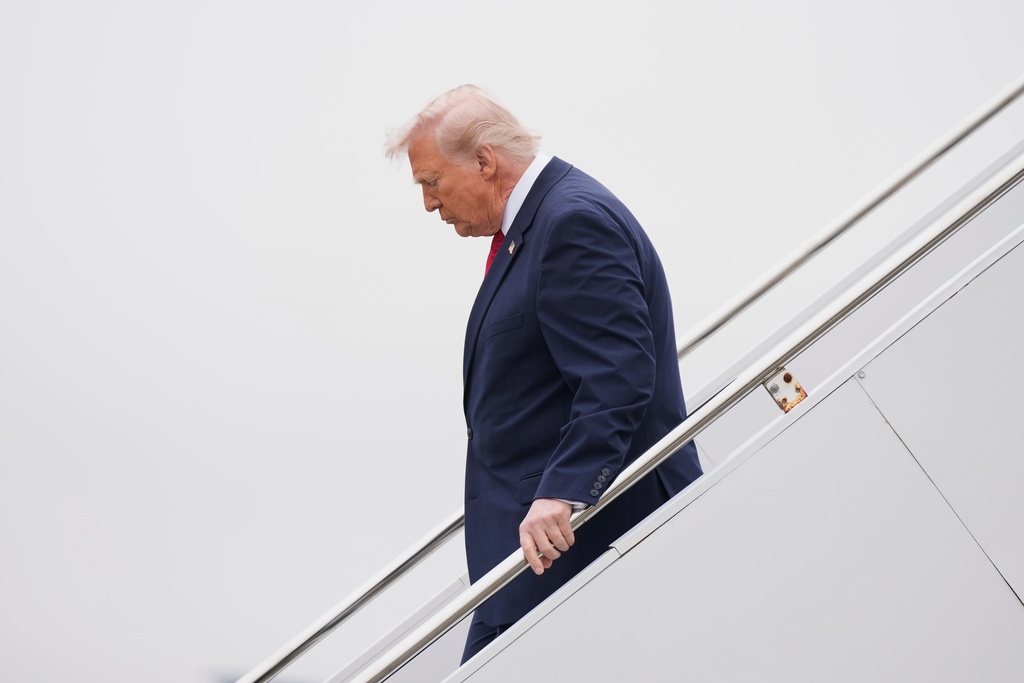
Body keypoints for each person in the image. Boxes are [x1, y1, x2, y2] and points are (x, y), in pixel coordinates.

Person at [385, 85, 702, 663]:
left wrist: (562, 490)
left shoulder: (569, 221)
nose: (429, 204)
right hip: (534, 550)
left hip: (586, 535)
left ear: (484, 161)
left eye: (431, 183)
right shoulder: (538, 227)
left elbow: (618, 376)